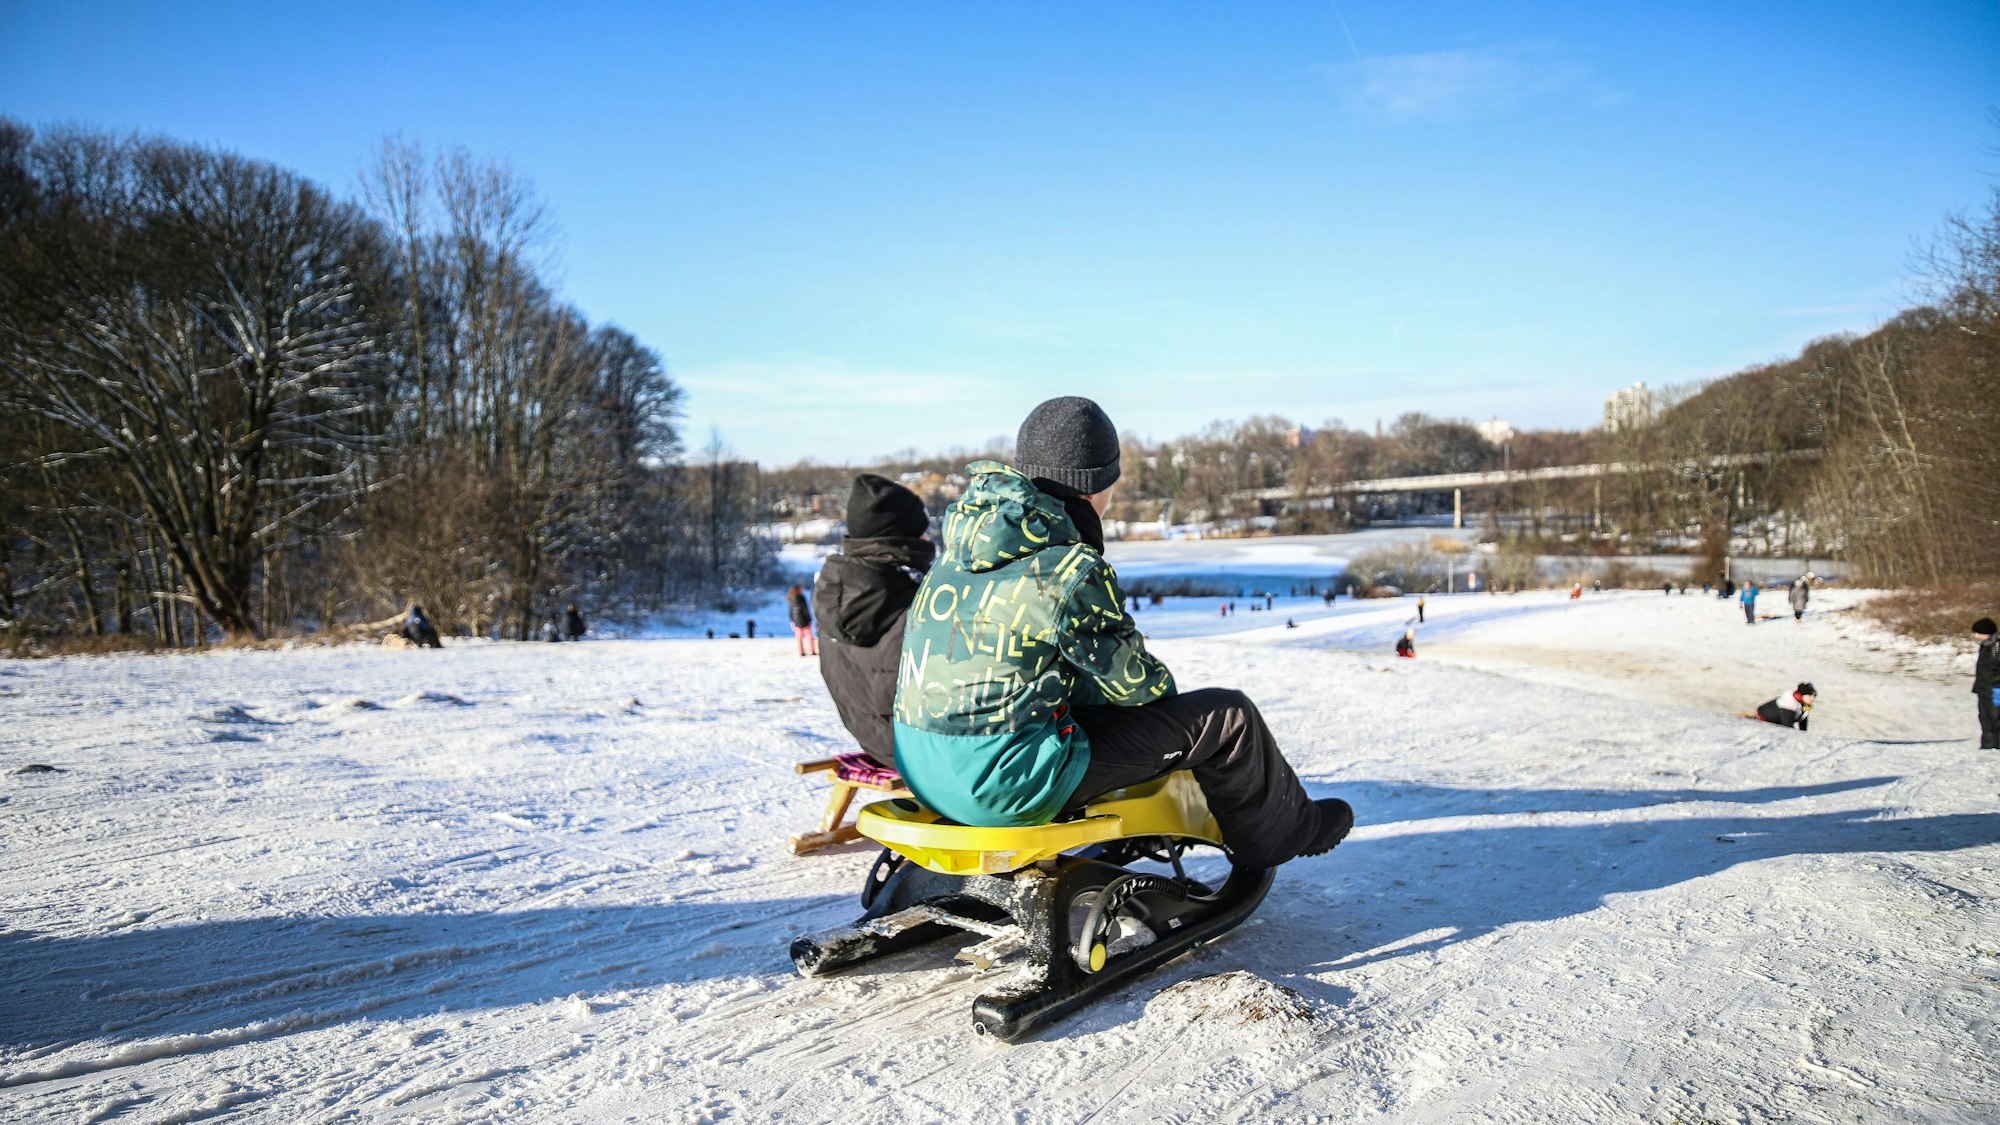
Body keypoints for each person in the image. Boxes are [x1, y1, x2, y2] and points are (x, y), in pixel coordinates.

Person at [892, 396, 1351, 870]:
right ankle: (1283, 833)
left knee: (1084, 708)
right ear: (1100, 485)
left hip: (923, 767)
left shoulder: (957, 554)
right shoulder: (1067, 568)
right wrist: (1172, 716)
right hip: (1001, 787)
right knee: (1227, 717)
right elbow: (1137, 687)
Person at [812, 475, 934, 767]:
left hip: (873, 741)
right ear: (903, 536)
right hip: (925, 752)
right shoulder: (915, 601)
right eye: (921, 532)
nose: (927, 539)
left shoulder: (836, 590)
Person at [1974, 617, 1999, 750]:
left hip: (1996, 689)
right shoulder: (1985, 645)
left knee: (1995, 716)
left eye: (1979, 633)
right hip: (1984, 688)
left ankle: (1996, 743)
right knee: (1984, 716)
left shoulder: (1996, 646)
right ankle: (1988, 744)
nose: (1976, 636)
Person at [786, 584, 817, 656]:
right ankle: (812, 650)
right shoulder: (801, 597)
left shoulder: (790, 598)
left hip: (795, 620)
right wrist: (809, 618)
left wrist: (792, 620)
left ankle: (801, 651)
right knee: (809, 635)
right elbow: (805, 609)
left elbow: (790, 611)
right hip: (804, 619)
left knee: (799, 637)